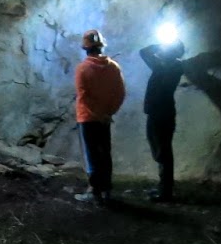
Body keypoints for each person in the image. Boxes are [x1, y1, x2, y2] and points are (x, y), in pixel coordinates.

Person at [73, 29, 126, 205]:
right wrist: (108, 113)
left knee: (92, 155)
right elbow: (120, 93)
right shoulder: (114, 67)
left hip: (88, 119)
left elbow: (83, 96)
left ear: (85, 48)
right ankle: (107, 190)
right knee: (105, 153)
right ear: (102, 46)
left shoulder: (83, 68)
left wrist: (97, 114)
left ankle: (95, 192)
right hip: (105, 119)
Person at [139, 35, 186, 201]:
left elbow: (165, 81)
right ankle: (163, 188)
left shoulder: (175, 66)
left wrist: (165, 49)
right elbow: (143, 52)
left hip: (163, 114)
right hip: (154, 113)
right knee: (158, 149)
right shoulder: (161, 66)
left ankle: (166, 192)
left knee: (163, 151)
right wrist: (162, 43)